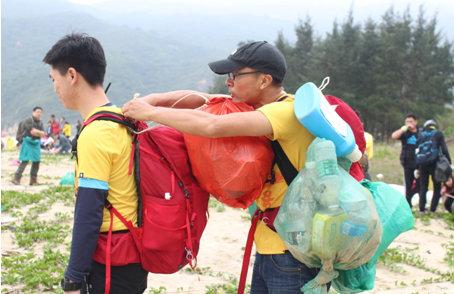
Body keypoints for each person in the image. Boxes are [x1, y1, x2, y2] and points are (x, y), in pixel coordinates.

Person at [123, 41, 361, 292]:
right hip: (273, 245)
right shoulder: (262, 107)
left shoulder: (285, 113)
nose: (229, 82)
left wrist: (150, 112)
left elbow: (212, 126)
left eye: (235, 75)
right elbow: (203, 99)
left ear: (264, 80)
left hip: (293, 254)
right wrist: (153, 100)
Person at [43, 33, 148, 294]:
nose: (54, 88)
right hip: (133, 255)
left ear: (71, 75)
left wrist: (73, 277)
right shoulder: (120, 118)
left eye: (53, 79)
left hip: (111, 259)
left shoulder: (96, 132)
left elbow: (89, 211)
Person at [415, 119, 451, 213]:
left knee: (423, 187)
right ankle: (432, 210)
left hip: (422, 164)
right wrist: (449, 162)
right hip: (435, 164)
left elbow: (417, 151)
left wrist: (417, 166)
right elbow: (444, 149)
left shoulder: (420, 135)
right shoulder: (438, 134)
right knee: (437, 187)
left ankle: (422, 209)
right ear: (434, 126)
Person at [391, 114, 420, 208]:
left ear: (415, 122)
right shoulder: (404, 133)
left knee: (420, 184)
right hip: (407, 162)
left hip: (419, 162)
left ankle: (420, 204)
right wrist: (404, 128)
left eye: (411, 121)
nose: (409, 124)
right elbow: (393, 136)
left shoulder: (420, 132)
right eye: (407, 122)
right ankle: (408, 205)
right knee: (408, 184)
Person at [11, 106, 46, 185]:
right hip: (27, 141)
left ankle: (33, 181)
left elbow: (43, 134)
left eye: (40, 112)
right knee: (25, 160)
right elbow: (32, 132)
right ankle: (16, 178)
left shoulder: (40, 122)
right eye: (37, 112)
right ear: (33, 112)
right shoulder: (28, 120)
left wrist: (39, 133)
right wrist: (40, 133)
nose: (39, 114)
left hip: (36, 143)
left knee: (37, 161)